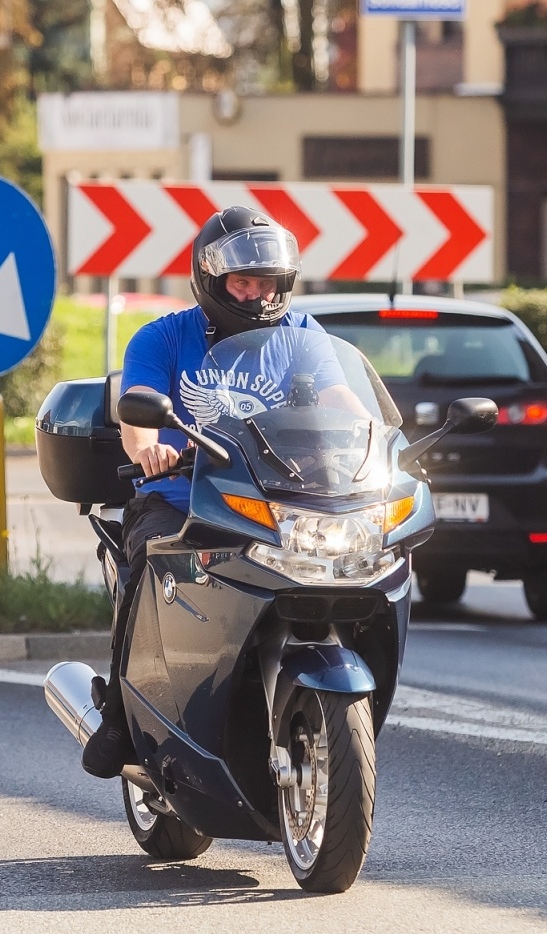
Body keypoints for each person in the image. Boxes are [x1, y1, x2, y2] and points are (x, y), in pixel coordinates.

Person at [81, 205, 358, 779]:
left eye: (266, 282)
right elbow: (139, 413)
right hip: (184, 496)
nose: (256, 294)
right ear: (212, 280)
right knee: (147, 561)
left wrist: (376, 440)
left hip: (281, 502)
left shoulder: (304, 336)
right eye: (242, 281)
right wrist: (147, 449)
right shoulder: (163, 336)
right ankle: (119, 713)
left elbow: (341, 401)